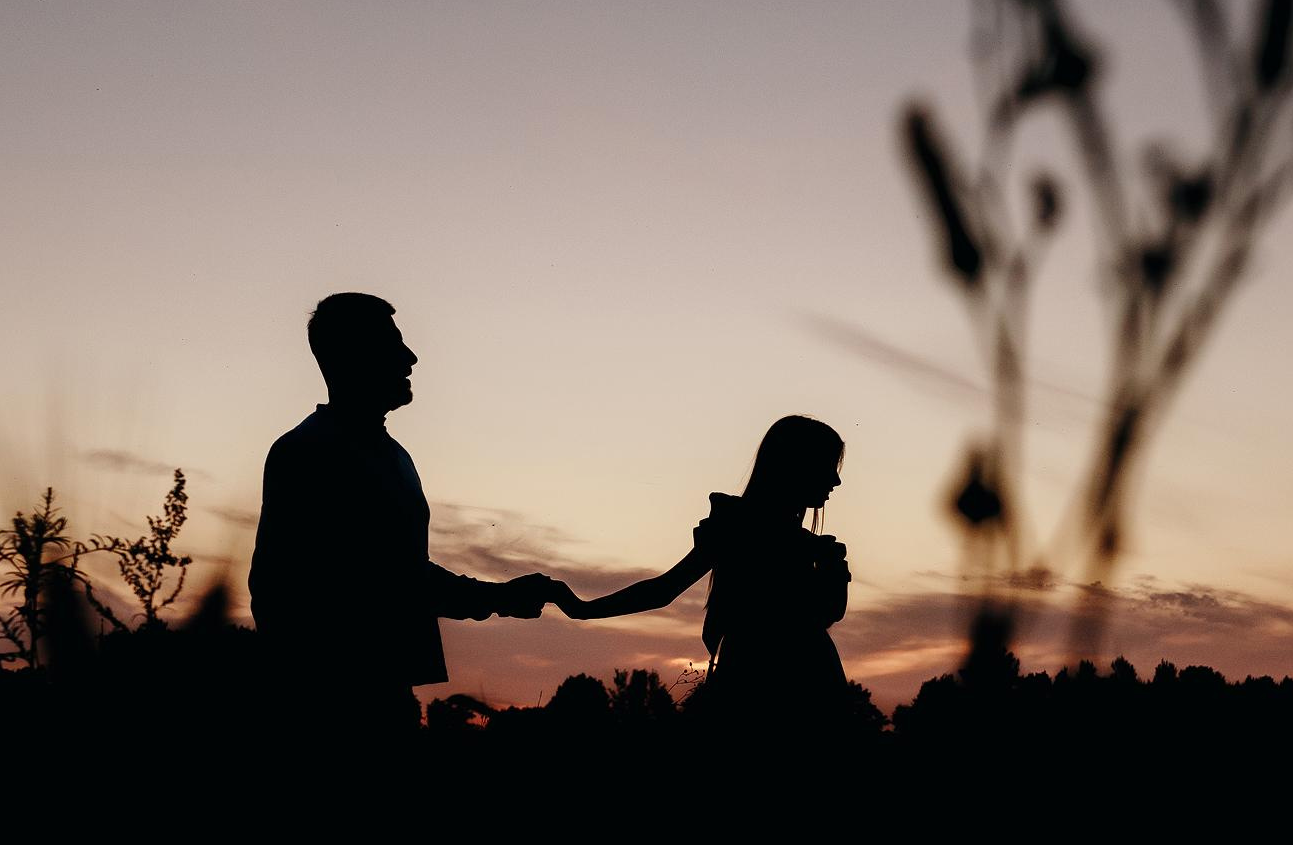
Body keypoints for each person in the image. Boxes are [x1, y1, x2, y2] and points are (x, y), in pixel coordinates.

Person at [249, 293, 572, 735]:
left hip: (383, 694)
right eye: (392, 344)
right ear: (351, 357)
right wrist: (498, 598)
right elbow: (378, 577)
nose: (411, 357)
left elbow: (398, 571)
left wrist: (499, 597)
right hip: (332, 707)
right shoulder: (308, 453)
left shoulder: (390, 455)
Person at [560, 415, 850, 733]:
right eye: (827, 466)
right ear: (796, 465)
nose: (835, 482)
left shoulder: (801, 544)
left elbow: (825, 614)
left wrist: (832, 572)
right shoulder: (738, 527)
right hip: (767, 698)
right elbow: (663, 590)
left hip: (805, 691)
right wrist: (582, 609)